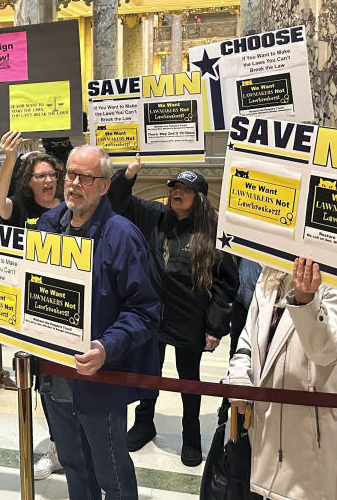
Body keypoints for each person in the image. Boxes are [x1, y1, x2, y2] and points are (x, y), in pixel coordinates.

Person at [0, 145, 161, 499]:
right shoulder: (46, 225)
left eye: (85, 177)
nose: (73, 184)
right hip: (53, 379)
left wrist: (106, 346)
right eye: (70, 174)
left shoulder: (122, 235)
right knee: (74, 467)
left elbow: (144, 311)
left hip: (98, 379)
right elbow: (23, 291)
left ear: (104, 186)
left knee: (112, 474)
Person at [110, 160, 238, 466]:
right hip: (152, 316)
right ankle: (144, 422)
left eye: (185, 189)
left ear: (200, 198)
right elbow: (116, 202)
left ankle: (191, 435)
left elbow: (226, 285)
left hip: (189, 321)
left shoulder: (212, 233)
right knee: (148, 372)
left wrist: (215, 327)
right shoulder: (154, 216)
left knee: (189, 380)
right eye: (174, 188)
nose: (177, 193)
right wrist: (127, 175)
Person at [227, 258, 337, 499]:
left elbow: (326, 352)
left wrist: (306, 302)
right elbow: (250, 334)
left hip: (319, 426)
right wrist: (239, 375)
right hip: (269, 421)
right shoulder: (272, 269)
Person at [0, 131, 64, 480]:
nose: (48, 181)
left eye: (52, 175)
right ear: (29, 181)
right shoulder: (21, 207)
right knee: (44, 383)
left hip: (68, 305)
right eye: (41, 176)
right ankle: (57, 448)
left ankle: (73, 443)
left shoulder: (70, 207)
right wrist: (9, 157)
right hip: (33, 307)